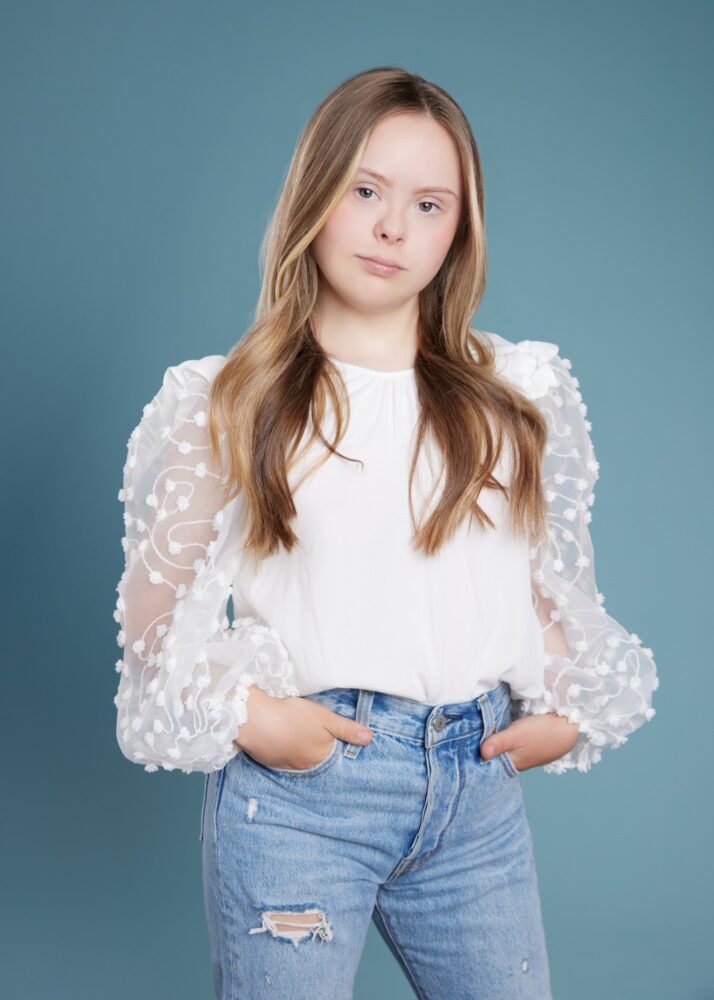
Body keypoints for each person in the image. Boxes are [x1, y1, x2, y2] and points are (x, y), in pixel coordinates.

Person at [112, 66, 659, 1000]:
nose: (392, 228)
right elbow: (152, 619)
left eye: (429, 204)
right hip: (302, 799)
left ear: (459, 228)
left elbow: (542, 587)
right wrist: (264, 724)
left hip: (476, 799)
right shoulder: (228, 401)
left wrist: (568, 714)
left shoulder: (517, 394)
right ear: (315, 194)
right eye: (365, 191)